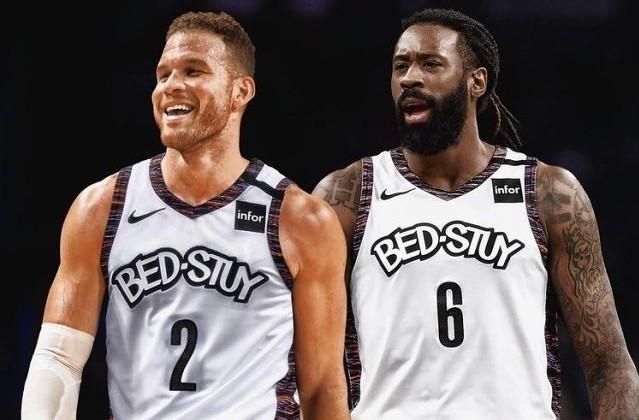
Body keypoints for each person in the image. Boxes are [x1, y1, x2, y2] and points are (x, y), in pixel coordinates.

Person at [22, 11, 349, 420]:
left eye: (193, 71)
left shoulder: (300, 220)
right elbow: (58, 359)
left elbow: (321, 389)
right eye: (163, 75)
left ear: (240, 91)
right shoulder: (103, 208)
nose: (171, 86)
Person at [314, 8, 639, 419]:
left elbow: (609, 365)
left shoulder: (548, 193)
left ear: (476, 81)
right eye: (400, 66)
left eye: (431, 64)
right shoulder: (347, 195)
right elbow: (304, 363)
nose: (410, 78)